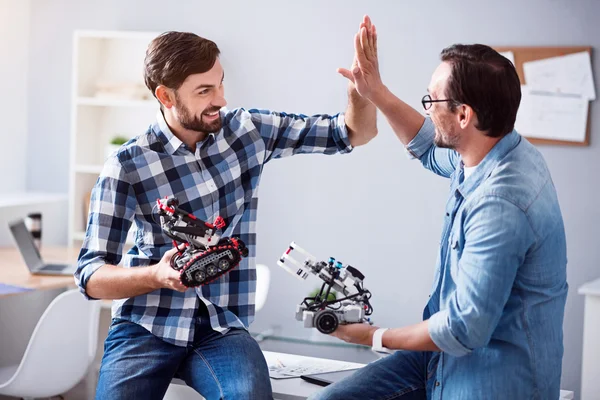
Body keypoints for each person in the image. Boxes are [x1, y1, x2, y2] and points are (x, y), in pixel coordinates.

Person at [75, 20, 377, 400]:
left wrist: (361, 92)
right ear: (166, 96)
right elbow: (90, 276)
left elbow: (353, 133)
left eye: (220, 84)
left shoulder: (248, 131)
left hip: (221, 327)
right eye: (205, 90)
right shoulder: (127, 164)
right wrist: (157, 275)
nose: (221, 99)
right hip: (146, 325)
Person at [311, 16, 568, 400]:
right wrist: (376, 92)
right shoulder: (494, 147)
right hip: (441, 357)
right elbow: (430, 147)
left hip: (489, 376)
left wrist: (372, 336)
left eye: (431, 100)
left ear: (464, 115)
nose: (427, 109)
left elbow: (464, 329)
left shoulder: (502, 203)